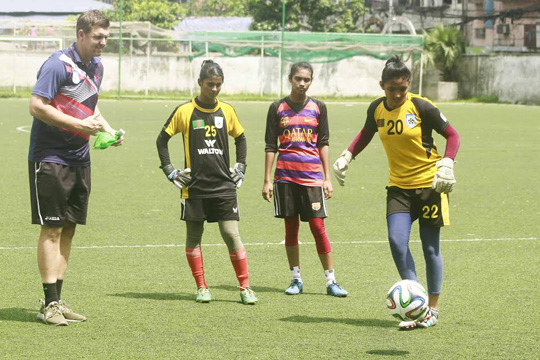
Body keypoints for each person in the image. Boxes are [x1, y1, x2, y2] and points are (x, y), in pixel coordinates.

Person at [333, 55, 461, 329]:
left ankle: (432, 310)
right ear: (382, 86)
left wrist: (447, 163)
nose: (398, 94)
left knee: (430, 247)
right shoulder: (377, 109)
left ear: (408, 85)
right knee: (396, 241)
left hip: (430, 185)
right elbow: (368, 132)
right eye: (392, 89)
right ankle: (418, 305)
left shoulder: (421, 106)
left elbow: (453, 135)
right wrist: (347, 155)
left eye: (402, 88)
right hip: (399, 188)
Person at [28, 10, 122, 326]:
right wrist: (80, 124)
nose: (103, 43)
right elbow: (37, 106)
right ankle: (50, 303)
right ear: (81, 35)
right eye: (98, 37)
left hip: (80, 158)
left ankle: (56, 299)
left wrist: (107, 130)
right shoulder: (57, 65)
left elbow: (90, 107)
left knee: (68, 228)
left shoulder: (97, 67)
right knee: (52, 228)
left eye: (106, 37)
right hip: (51, 157)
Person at [156, 60, 258, 305]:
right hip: (194, 187)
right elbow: (162, 140)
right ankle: (201, 287)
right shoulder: (184, 111)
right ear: (200, 83)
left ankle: (245, 287)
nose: (214, 89)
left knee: (231, 234)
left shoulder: (227, 111)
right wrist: (169, 170)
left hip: (224, 185)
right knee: (194, 236)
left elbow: (241, 139)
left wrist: (241, 166)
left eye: (218, 85)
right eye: (210, 84)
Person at [262, 62, 348, 298]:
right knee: (291, 230)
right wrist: (267, 180)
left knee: (318, 228)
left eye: (306, 80)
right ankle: (295, 279)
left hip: (312, 179)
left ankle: (331, 281)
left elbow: (323, 143)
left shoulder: (319, 107)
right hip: (285, 178)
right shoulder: (277, 107)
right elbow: (271, 145)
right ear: (290, 78)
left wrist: (327, 178)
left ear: (311, 81)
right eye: (298, 79)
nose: (302, 83)